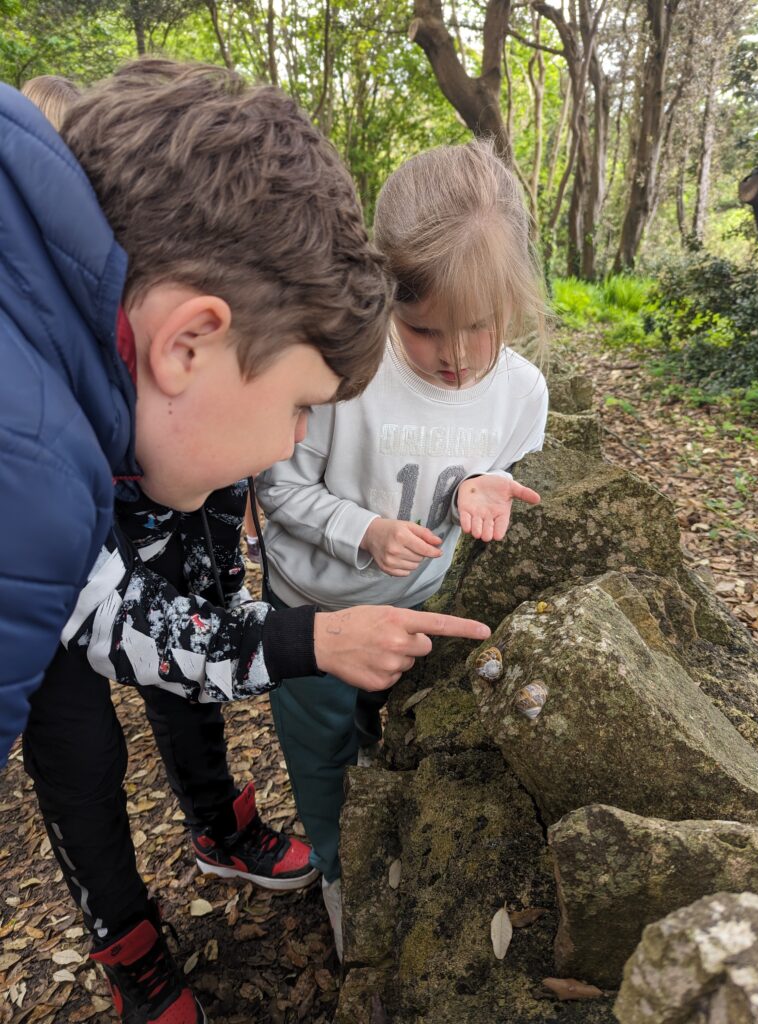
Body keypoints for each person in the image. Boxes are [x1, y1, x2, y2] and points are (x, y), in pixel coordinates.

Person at [0, 61, 491, 1024]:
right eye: (300, 406)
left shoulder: (52, 397)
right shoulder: (35, 478)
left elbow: (100, 605)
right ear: (191, 343)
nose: (295, 443)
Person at [256, 139, 550, 958]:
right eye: (423, 331)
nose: (455, 358)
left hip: (420, 608)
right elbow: (275, 487)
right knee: (320, 753)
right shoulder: (341, 372)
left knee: (398, 740)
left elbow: (504, 465)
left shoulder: (522, 391)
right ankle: (336, 867)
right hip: (312, 613)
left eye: (481, 329)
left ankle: (386, 851)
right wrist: (365, 530)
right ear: (382, 291)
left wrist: (485, 485)